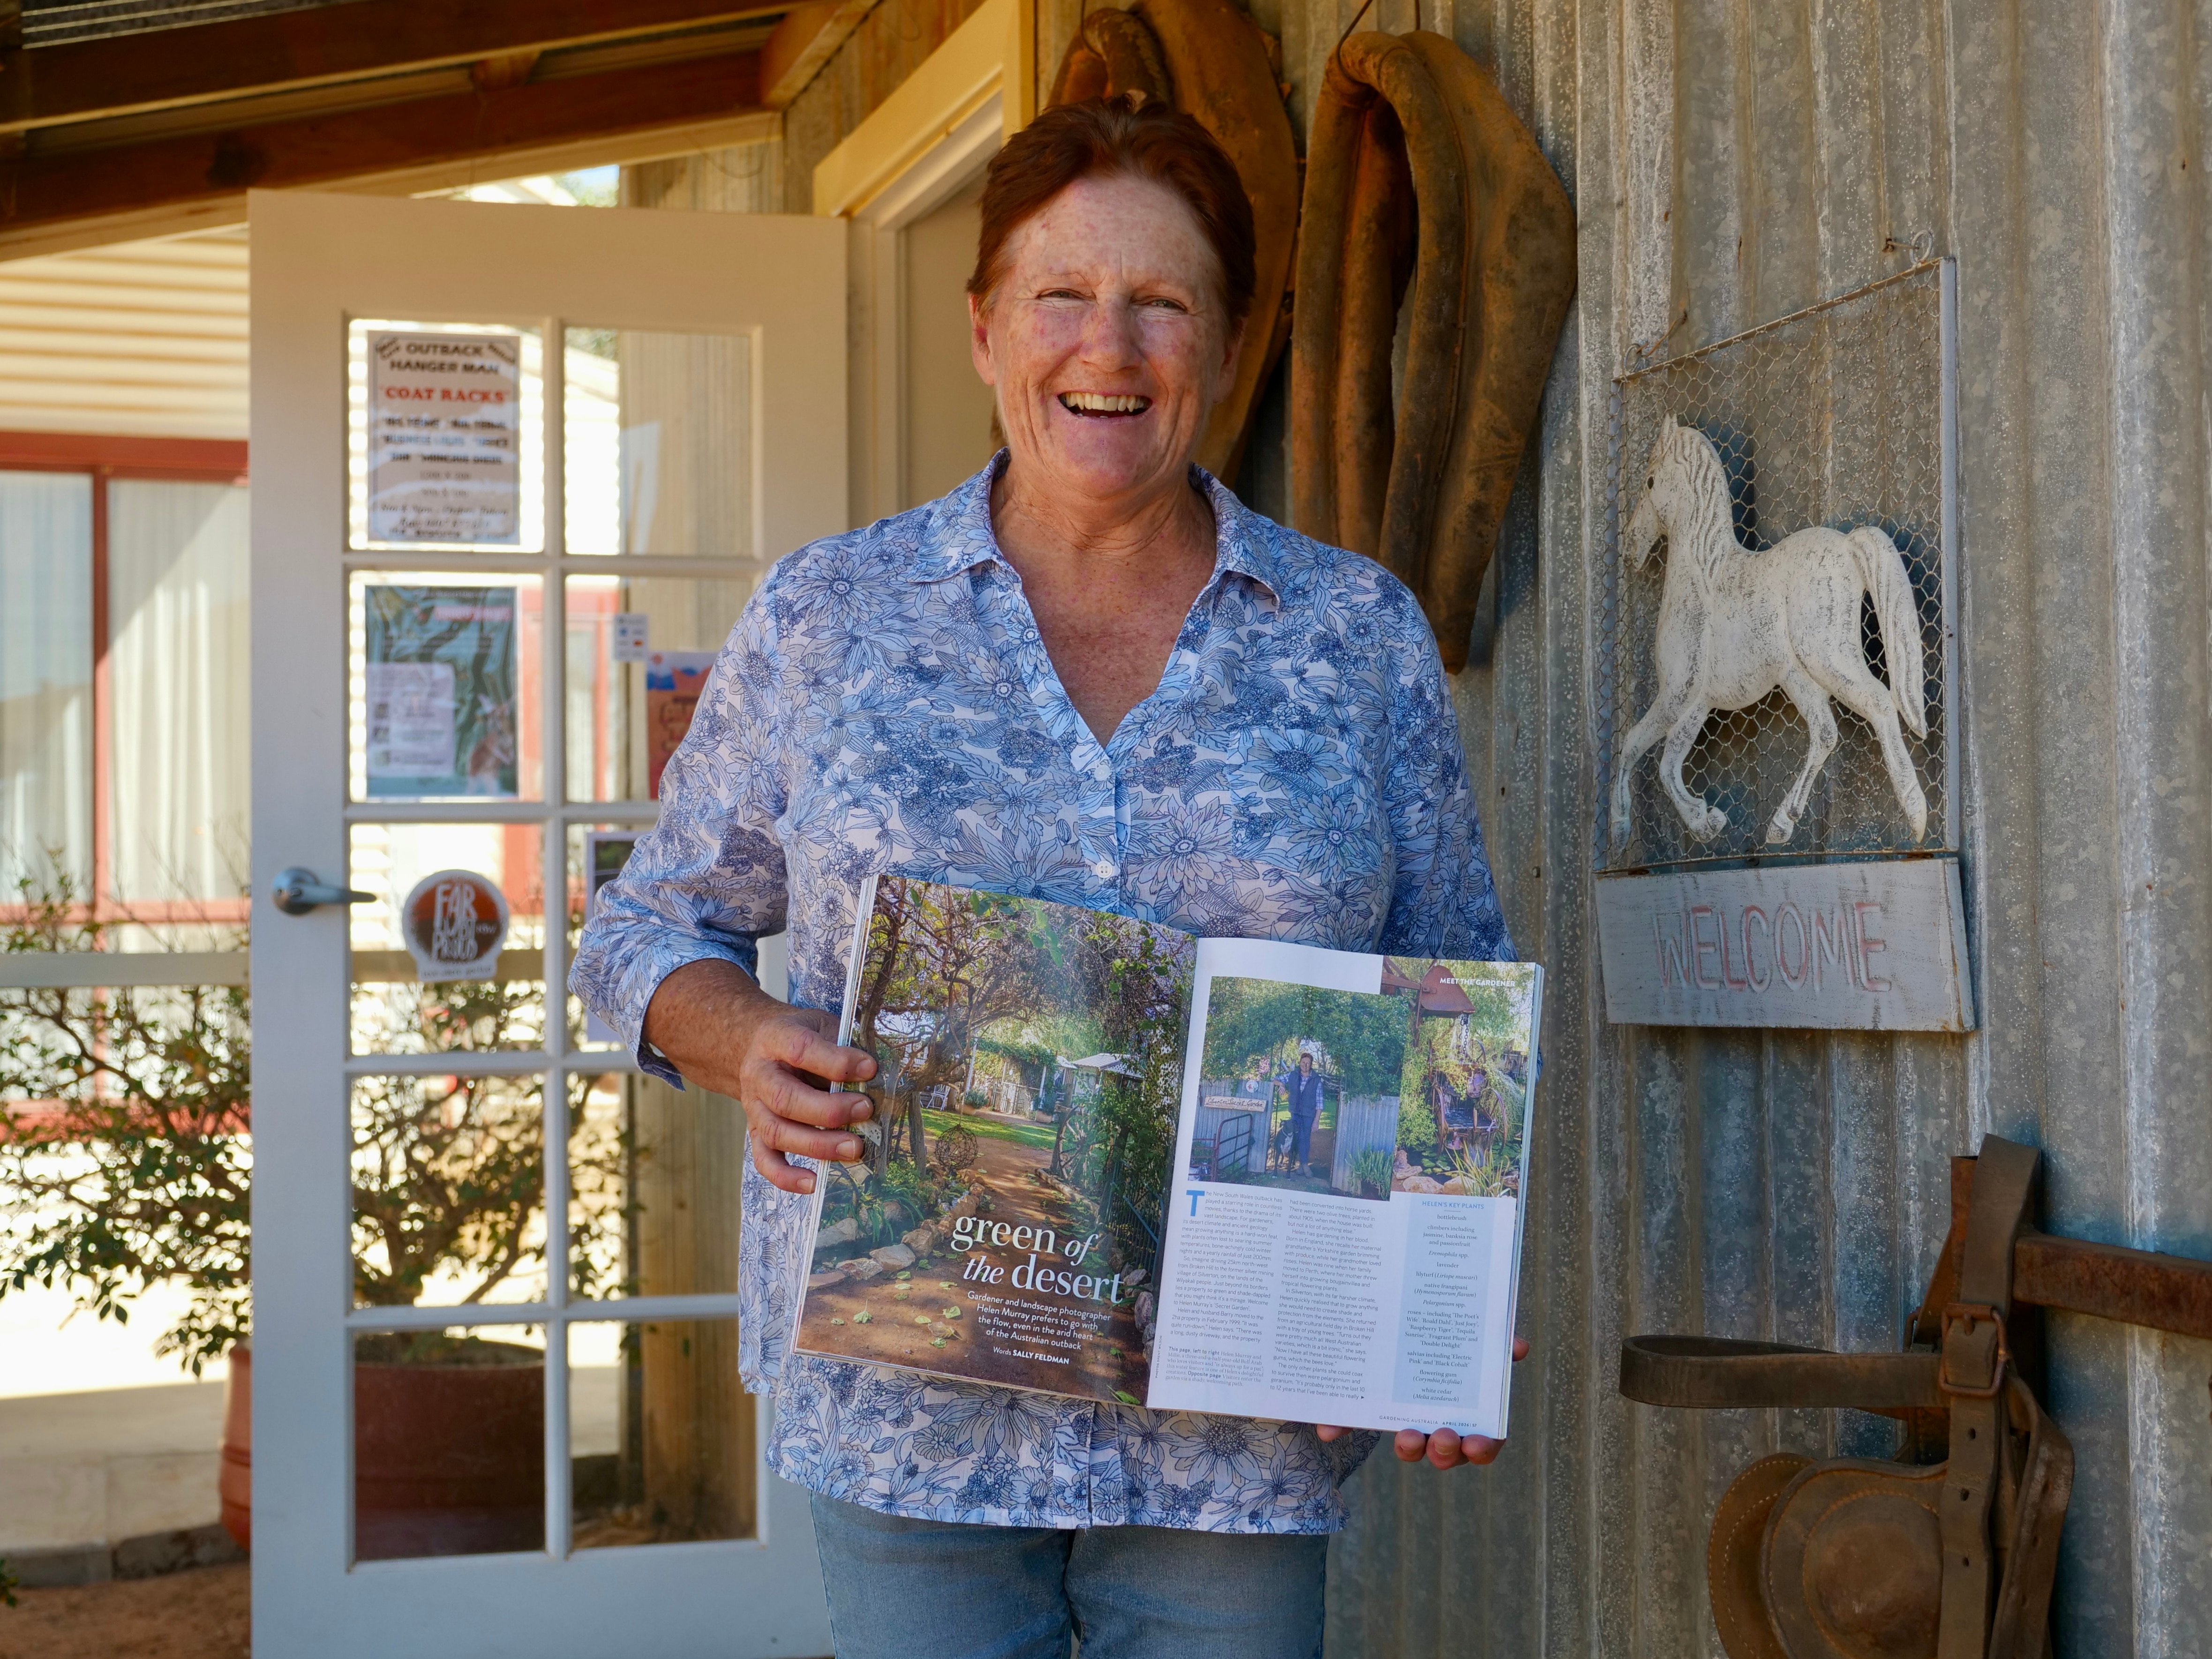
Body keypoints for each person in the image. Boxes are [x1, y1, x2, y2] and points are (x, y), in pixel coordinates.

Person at [572, 95, 1521, 1659]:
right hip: (911, 1410)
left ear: (1223, 338)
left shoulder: (1352, 634)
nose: (1110, 345)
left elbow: (1448, 1003)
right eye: (1060, 296)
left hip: (1233, 1429)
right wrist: (745, 1041)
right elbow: (642, 923)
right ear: (982, 330)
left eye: (1161, 301)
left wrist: (1438, 1292)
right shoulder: (833, 615)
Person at [1274, 1048, 1326, 1175]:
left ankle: (1304, 1165)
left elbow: (1320, 1103)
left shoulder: (1316, 1080)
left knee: (1305, 1138)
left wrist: (1317, 1120)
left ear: (1311, 1065)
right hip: (1295, 1113)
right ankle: (1297, 1164)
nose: (1305, 1065)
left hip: (1309, 1115)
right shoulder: (1293, 1075)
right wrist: (1281, 1084)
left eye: (1308, 1063)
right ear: (1300, 1063)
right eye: (1303, 1063)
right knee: (1295, 1138)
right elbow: (1274, 1079)